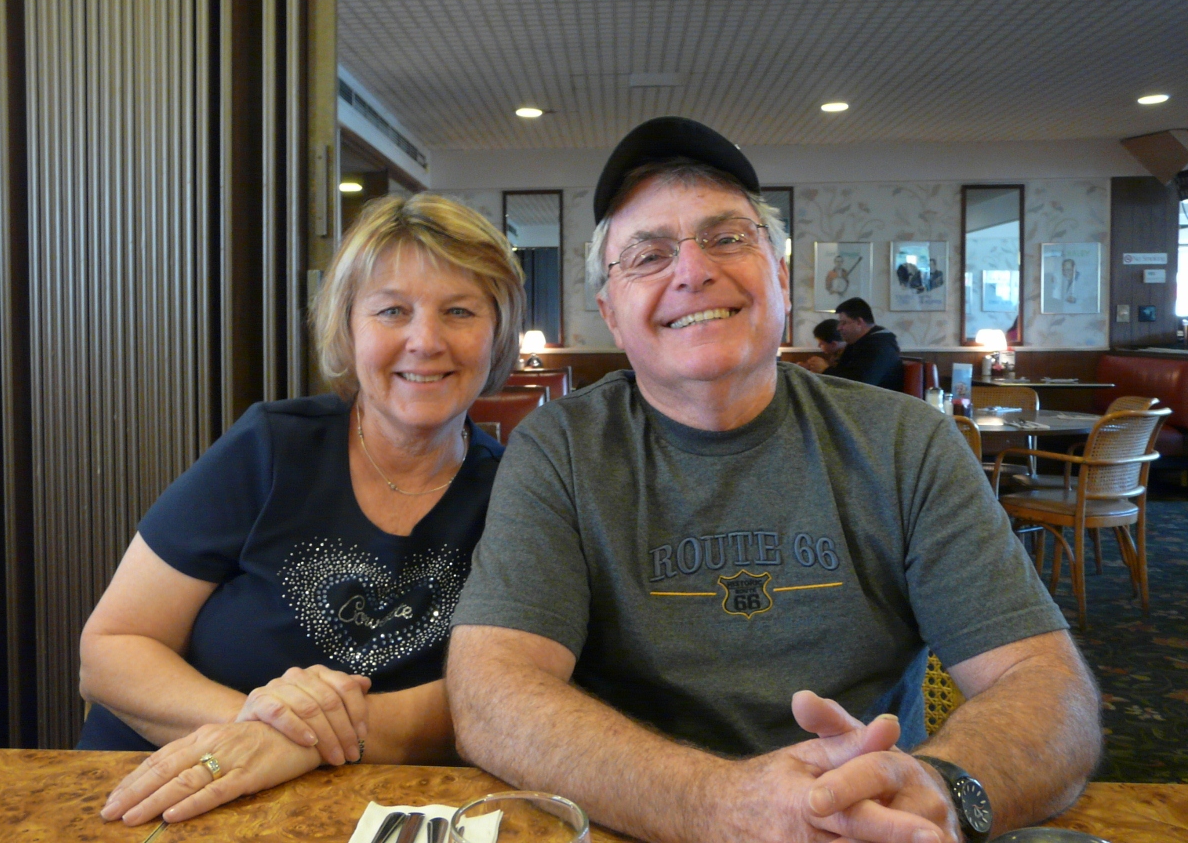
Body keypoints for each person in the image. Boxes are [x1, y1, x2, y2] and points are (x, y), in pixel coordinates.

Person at [447, 116, 1100, 843]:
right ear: (611, 313)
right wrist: (718, 804)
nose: (693, 271)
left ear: (781, 278)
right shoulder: (560, 449)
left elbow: (1051, 694)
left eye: (727, 238)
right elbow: (490, 693)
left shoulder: (906, 442)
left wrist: (940, 791)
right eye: (648, 255)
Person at [78, 194, 525, 827]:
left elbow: (496, 698)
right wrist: (265, 728)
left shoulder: (517, 493)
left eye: (459, 311)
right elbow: (109, 650)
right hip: (163, 798)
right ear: (348, 327)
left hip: (368, 819)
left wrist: (292, 745)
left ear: (498, 333)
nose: (425, 340)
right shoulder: (271, 446)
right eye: (392, 310)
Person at [803, 296, 904, 391]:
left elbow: (860, 385)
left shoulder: (880, 346)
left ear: (859, 322)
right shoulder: (857, 343)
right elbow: (844, 373)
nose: (839, 328)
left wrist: (825, 370)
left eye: (843, 323)